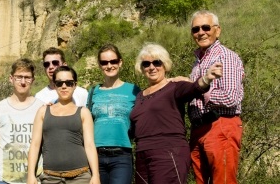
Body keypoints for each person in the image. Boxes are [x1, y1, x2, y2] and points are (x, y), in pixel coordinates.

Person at [130, 43, 221, 184]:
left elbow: (194, 88)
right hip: (142, 155)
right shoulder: (140, 96)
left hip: (168, 152)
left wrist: (207, 78)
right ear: (141, 68)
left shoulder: (174, 87)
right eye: (146, 64)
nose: (152, 67)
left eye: (157, 62)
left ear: (165, 65)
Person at [188, 10, 244, 184]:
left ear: (217, 30)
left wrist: (201, 91)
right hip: (199, 128)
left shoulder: (225, 57)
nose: (201, 32)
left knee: (223, 180)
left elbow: (230, 97)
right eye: (195, 29)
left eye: (206, 27)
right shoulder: (198, 62)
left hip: (221, 124)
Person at [27, 66, 100, 184]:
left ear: (75, 85)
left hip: (80, 177)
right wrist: (30, 175)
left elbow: (90, 145)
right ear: (54, 85)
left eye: (69, 83)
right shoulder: (43, 111)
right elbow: (35, 145)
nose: (64, 86)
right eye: (59, 83)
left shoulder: (83, 112)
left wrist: (95, 175)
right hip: (50, 178)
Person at [0, 58, 44, 184]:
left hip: (35, 179)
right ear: (11, 78)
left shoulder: (42, 108)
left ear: (33, 80)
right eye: (19, 77)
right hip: (4, 180)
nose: (23, 82)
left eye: (27, 77)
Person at [86, 44, 140, 184]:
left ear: (120, 62)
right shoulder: (93, 92)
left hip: (122, 155)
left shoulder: (133, 90)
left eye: (113, 61)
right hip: (96, 156)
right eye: (104, 62)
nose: (109, 66)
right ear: (99, 65)